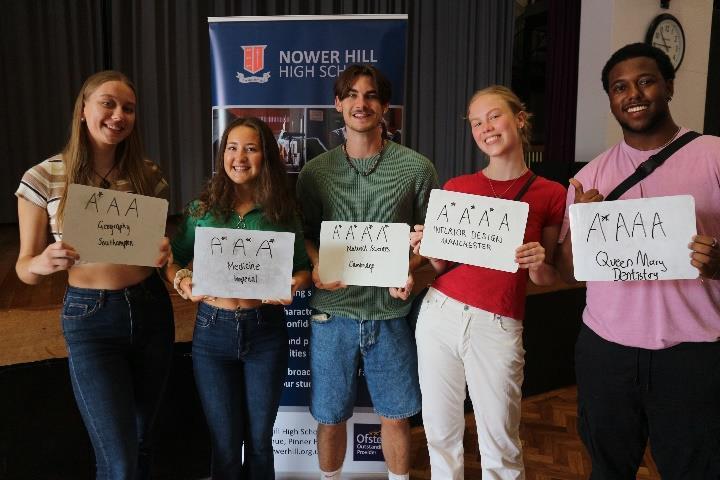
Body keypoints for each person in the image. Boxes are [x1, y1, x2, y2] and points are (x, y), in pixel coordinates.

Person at [555, 43, 720, 479]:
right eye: (620, 87)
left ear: (669, 86)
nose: (633, 94)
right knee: (608, 467)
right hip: (607, 351)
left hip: (693, 352)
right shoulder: (589, 177)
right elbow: (569, 272)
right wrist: (583, 223)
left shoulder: (714, 155)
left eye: (646, 81)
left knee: (695, 468)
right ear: (611, 99)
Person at [14, 70, 175, 479]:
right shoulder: (43, 176)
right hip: (91, 319)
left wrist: (165, 257)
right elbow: (24, 268)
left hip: (151, 310)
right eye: (108, 103)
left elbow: (158, 253)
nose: (119, 115)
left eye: (129, 108)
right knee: (118, 458)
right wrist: (41, 263)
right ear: (83, 109)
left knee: (142, 442)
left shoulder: (148, 175)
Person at [409, 85, 566, 479]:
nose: (486, 128)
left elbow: (548, 277)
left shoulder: (550, 193)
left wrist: (538, 261)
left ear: (520, 119)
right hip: (439, 314)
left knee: (501, 443)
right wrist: (427, 247)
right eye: (476, 123)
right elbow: (443, 266)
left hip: (497, 324)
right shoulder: (457, 187)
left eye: (494, 116)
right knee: (440, 434)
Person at [296, 64, 438, 480]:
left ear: (385, 105)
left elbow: (432, 239)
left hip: (390, 314)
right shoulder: (315, 172)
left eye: (371, 95)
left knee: (396, 415)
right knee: (329, 416)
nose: (362, 103)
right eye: (352, 95)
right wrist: (317, 262)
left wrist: (409, 266)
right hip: (331, 314)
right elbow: (303, 234)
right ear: (338, 104)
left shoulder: (417, 168)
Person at [166, 116, 311, 479]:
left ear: (266, 157)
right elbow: (174, 259)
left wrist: (294, 285)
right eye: (232, 148)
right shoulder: (202, 209)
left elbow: (302, 268)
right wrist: (182, 281)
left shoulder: (283, 211)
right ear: (223, 156)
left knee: (260, 442)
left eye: (251, 148)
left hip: (266, 331)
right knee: (226, 445)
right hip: (212, 332)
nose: (239, 157)